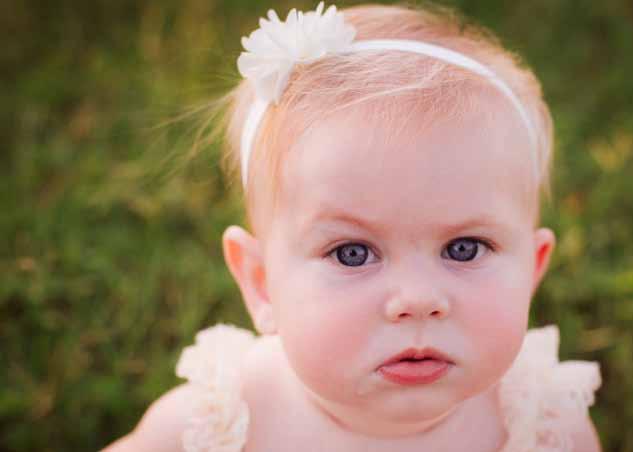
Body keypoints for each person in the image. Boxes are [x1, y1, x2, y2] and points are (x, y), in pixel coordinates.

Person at [104, 2, 602, 451]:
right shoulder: (210, 426)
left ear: (532, 270)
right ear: (260, 283)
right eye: (353, 253)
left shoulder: (548, 428)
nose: (417, 299)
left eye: (465, 248)